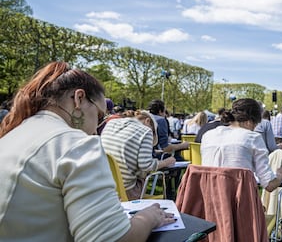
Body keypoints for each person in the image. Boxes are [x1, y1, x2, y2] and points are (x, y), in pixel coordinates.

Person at [0, 61, 174, 241]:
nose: (96, 128)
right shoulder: (76, 144)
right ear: (79, 99)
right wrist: (149, 218)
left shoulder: (12, 135)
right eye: (99, 116)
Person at [201, 98, 282, 192]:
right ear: (250, 121)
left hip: (209, 199)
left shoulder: (208, 136)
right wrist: (281, 175)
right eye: (255, 125)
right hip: (239, 201)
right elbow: (269, 184)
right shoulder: (253, 137)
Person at [101, 110, 176, 200]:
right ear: (147, 121)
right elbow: (146, 165)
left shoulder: (111, 123)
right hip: (128, 191)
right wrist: (166, 162)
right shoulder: (146, 131)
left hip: (106, 187)